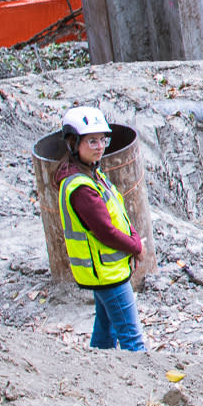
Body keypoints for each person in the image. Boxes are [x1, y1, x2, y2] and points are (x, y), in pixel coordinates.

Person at [54, 106, 148, 353]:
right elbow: (105, 231)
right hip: (107, 274)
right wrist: (135, 247)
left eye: (102, 140)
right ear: (74, 143)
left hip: (106, 270)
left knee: (106, 332)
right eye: (92, 141)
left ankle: (93, 369)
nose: (99, 147)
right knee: (132, 338)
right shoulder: (81, 187)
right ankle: (144, 377)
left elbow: (117, 212)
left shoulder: (92, 174)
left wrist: (133, 238)